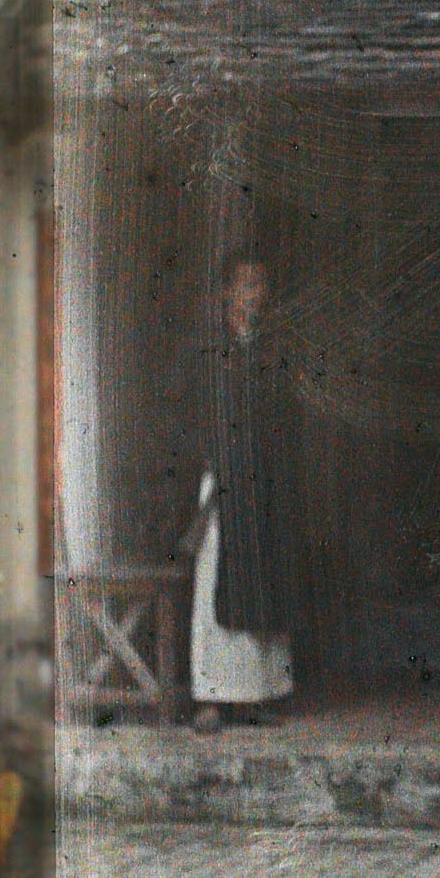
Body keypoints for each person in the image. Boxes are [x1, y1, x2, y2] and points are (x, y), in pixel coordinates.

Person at [188, 257, 297, 732]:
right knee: (216, 583)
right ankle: (210, 697)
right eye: (247, 284)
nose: (256, 294)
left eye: (262, 284)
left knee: (261, 582)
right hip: (223, 482)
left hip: (261, 481)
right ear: (226, 293)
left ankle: (255, 696)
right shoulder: (210, 350)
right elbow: (193, 414)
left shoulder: (270, 350)